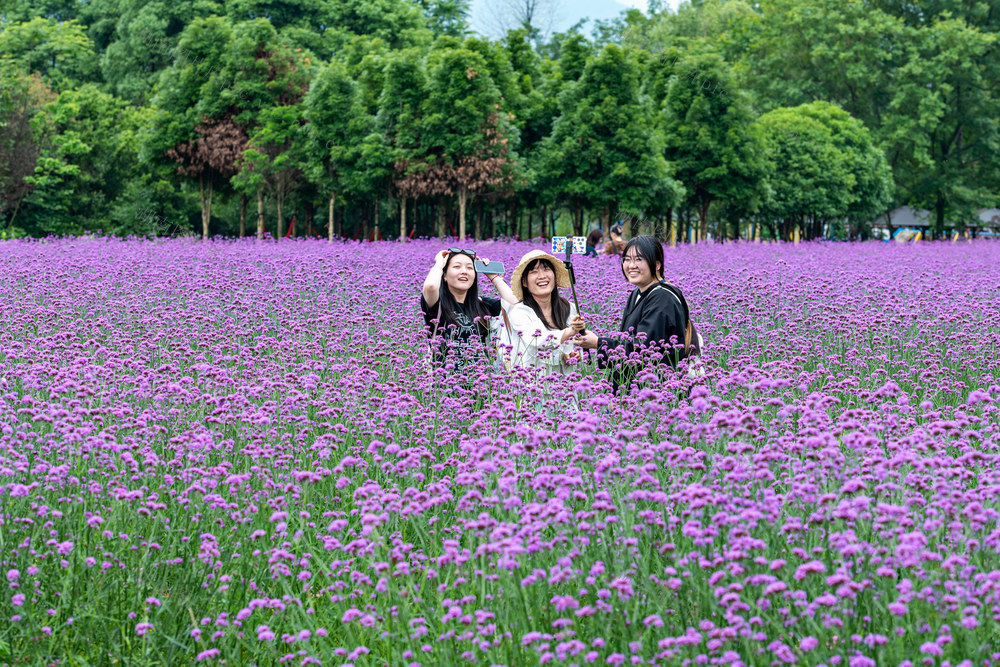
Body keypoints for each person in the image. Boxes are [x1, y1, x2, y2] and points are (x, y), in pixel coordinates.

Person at [576, 235, 700, 391]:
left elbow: (643, 349)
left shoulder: (662, 298)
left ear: (656, 265)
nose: (631, 265)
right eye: (627, 259)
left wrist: (598, 343)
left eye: (639, 259)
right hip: (632, 392)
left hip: (656, 395)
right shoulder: (638, 293)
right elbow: (629, 340)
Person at [420, 248, 516, 367]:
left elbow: (514, 305)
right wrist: (439, 264)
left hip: (481, 382)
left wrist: (492, 275)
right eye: (457, 267)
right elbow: (430, 286)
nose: (464, 271)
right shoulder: (438, 304)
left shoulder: (482, 304)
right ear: (444, 275)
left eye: (470, 268)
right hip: (444, 383)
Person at [502, 250, 587, 375]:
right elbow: (538, 341)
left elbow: (575, 344)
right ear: (524, 282)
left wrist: (571, 354)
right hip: (531, 387)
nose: (542, 276)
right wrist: (570, 331)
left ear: (554, 276)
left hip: (565, 388)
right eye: (534, 271)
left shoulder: (569, 308)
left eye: (546, 269)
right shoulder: (520, 312)